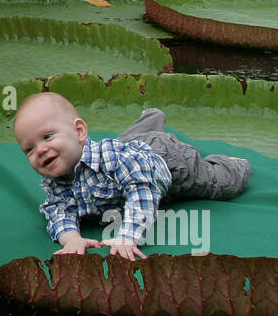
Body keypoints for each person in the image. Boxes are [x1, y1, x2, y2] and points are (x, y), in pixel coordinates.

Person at [13, 92, 251, 260]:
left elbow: (142, 192)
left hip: (168, 162)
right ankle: (152, 118)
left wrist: (128, 236)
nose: (40, 150)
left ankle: (234, 166)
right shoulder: (56, 183)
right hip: (132, 145)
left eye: (47, 137)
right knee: (131, 140)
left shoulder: (113, 158)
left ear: (79, 131)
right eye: (29, 149)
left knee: (218, 183)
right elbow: (58, 212)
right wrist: (72, 239)